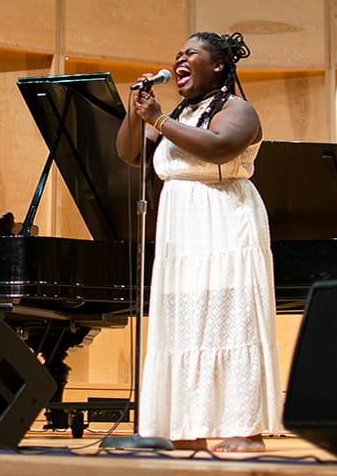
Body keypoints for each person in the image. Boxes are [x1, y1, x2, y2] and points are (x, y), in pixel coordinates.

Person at [115, 31, 283, 452]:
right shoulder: (179, 114)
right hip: (181, 229)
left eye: (191, 53)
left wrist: (158, 119)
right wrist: (136, 111)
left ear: (218, 66)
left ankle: (244, 427)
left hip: (225, 221)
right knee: (187, 323)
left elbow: (220, 148)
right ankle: (188, 426)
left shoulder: (237, 109)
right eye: (178, 54)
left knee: (231, 318)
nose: (180, 59)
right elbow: (130, 154)